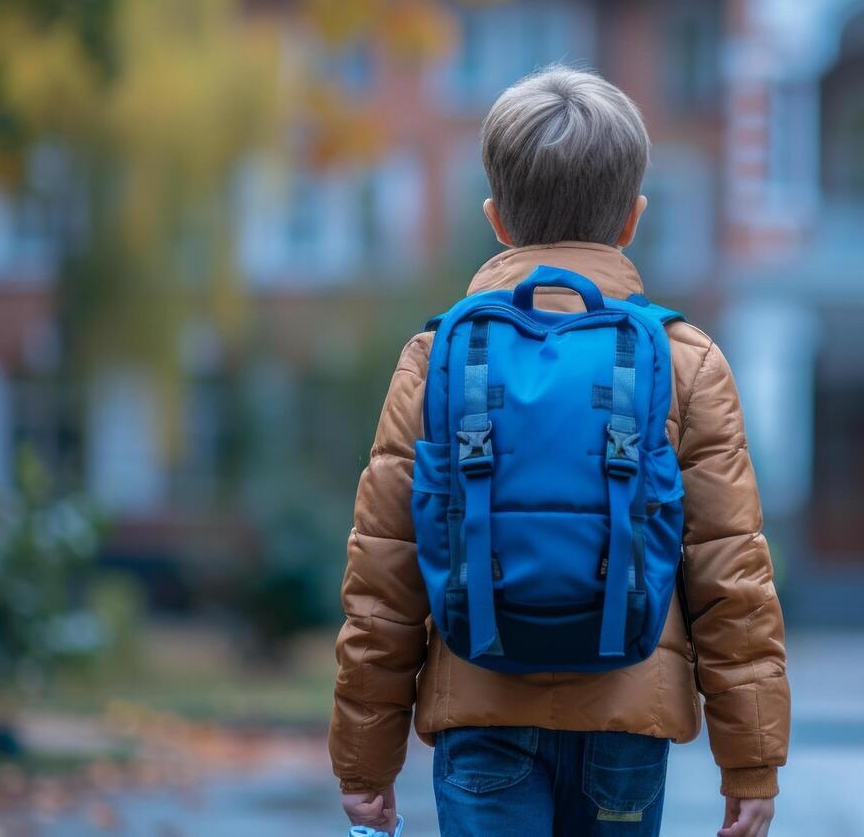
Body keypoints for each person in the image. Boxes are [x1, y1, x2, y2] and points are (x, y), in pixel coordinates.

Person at [330, 65, 788, 837]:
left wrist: (363, 761)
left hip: (480, 713)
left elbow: (383, 575)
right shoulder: (686, 359)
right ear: (633, 218)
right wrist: (750, 761)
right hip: (627, 717)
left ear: (496, 219)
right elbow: (730, 575)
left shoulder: (435, 356)